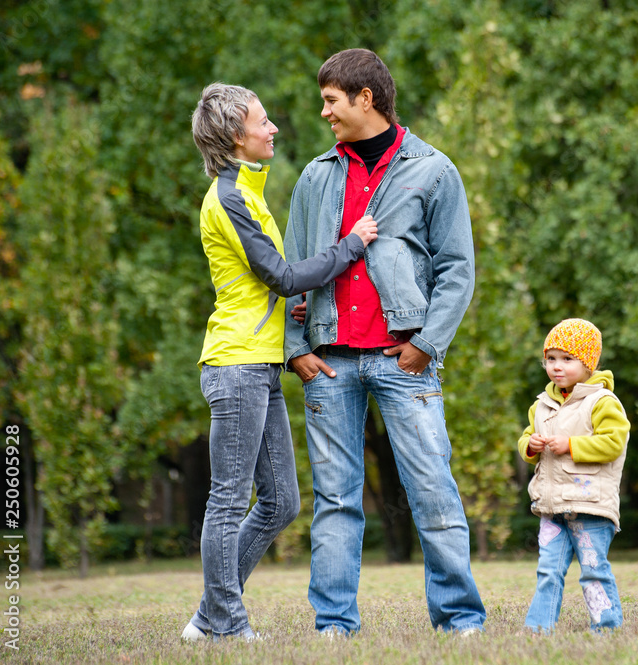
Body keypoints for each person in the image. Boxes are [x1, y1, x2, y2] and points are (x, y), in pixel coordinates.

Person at [282, 49, 485, 636]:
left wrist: (427, 342)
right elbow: (295, 270)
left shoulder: (434, 170)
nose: (324, 112)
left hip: (406, 363)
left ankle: (460, 620)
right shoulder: (316, 176)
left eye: (330, 100)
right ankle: (334, 627)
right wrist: (297, 349)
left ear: (364, 98)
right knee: (336, 503)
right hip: (331, 364)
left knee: (433, 493)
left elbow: (457, 270)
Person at [182, 82, 378, 641]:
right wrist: (352, 244)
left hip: (261, 364)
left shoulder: (248, 190)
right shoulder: (231, 198)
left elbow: (266, 285)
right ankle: (226, 621)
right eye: (262, 122)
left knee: (283, 502)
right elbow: (283, 276)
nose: (273, 129)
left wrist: (286, 313)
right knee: (227, 500)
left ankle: (208, 615)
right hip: (237, 364)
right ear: (234, 136)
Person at [517, 318, 630, 633]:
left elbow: (613, 443)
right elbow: (526, 437)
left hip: (590, 504)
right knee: (548, 571)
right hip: (552, 506)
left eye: (567, 359)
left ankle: (606, 627)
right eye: (551, 359)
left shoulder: (602, 402)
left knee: (593, 569)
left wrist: (570, 445)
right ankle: (538, 629)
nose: (557, 366)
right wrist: (530, 444)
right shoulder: (541, 405)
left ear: (588, 363)